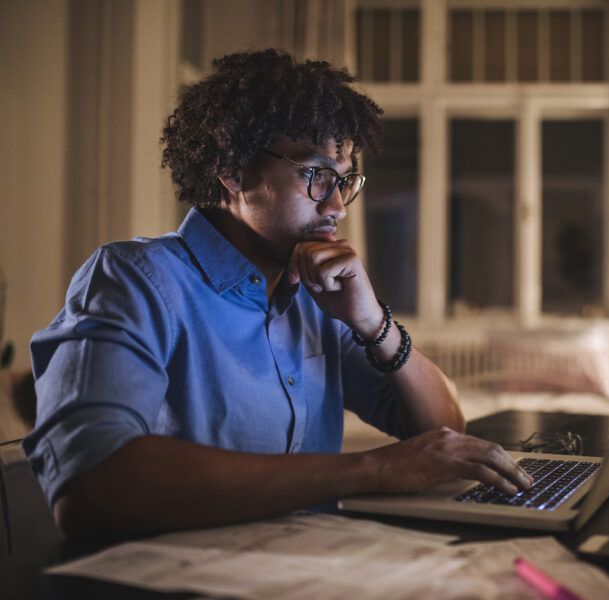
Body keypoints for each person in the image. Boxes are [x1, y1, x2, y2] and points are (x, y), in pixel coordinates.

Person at [24, 49, 531, 538]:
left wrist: (374, 322)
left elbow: (445, 431)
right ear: (233, 170)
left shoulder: (318, 297)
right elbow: (90, 483)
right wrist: (370, 468)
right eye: (315, 174)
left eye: (345, 179)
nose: (337, 205)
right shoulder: (135, 280)